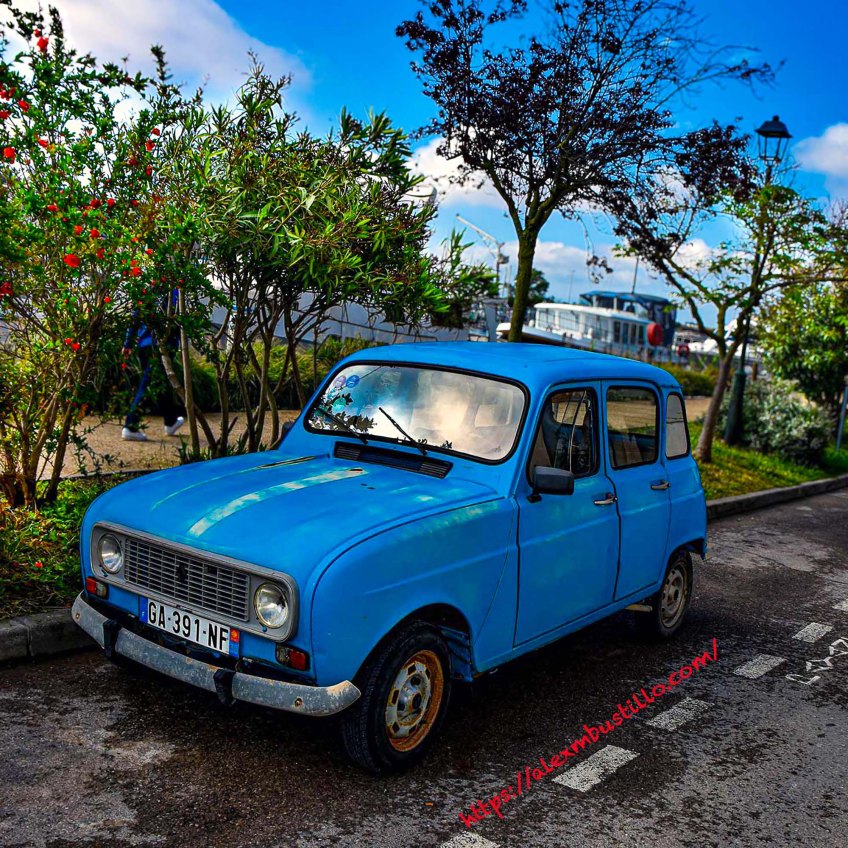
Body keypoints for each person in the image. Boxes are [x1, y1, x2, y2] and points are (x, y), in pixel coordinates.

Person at [121, 291, 185, 441]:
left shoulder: (148, 288)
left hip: (145, 345)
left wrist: (128, 343)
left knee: (160, 382)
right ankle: (130, 426)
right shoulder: (175, 291)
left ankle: (170, 421)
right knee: (148, 383)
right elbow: (178, 319)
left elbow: (135, 316)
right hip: (160, 345)